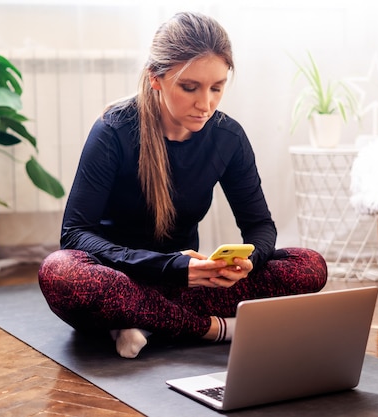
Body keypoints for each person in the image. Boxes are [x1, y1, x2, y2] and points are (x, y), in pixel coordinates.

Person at [38, 11, 328, 359]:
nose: (205, 104)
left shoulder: (227, 137)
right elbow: (75, 233)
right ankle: (212, 329)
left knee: (309, 264)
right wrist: (170, 268)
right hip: (118, 279)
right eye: (190, 88)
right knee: (61, 273)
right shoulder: (113, 131)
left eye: (216, 88)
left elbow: (259, 225)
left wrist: (248, 260)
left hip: (188, 285)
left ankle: (142, 322)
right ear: (156, 78)